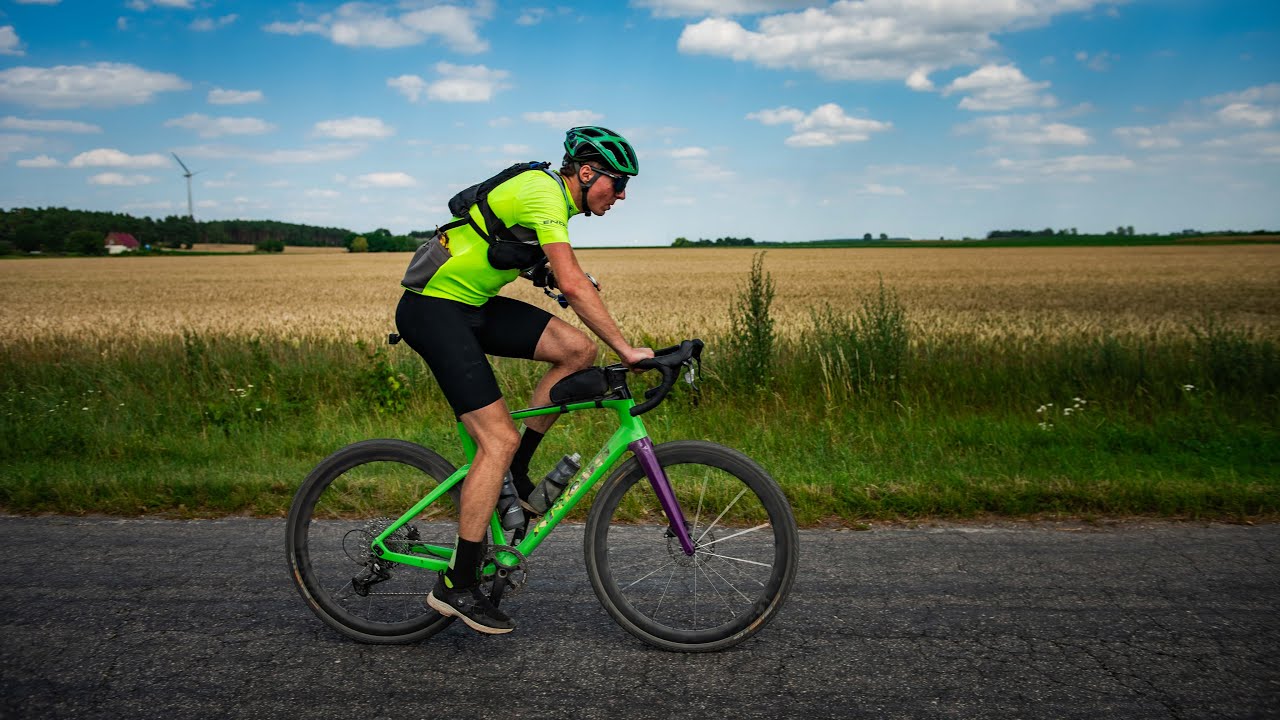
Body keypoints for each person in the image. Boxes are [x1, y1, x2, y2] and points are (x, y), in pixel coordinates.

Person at [395, 126, 654, 635]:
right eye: (618, 183)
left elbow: (548, 270)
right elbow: (575, 283)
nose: (621, 195)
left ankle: (516, 472)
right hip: (434, 311)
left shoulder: (550, 205)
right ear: (586, 171)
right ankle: (457, 585)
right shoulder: (542, 192)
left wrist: (557, 281)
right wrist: (628, 349)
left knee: (578, 349)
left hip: (471, 306)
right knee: (497, 438)